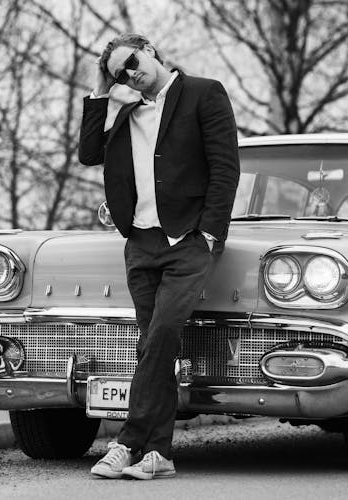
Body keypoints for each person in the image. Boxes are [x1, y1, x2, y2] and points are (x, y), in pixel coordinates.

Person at [78, 33, 239, 480]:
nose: (130, 73)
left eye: (131, 61)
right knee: (154, 344)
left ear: (149, 50)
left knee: (162, 334)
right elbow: (88, 154)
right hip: (141, 244)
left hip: (187, 240)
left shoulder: (204, 93)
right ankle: (159, 455)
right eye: (118, 73)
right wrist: (100, 90)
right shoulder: (123, 108)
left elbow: (226, 167)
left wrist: (208, 234)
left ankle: (128, 440)